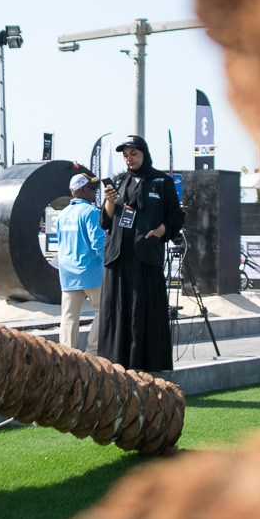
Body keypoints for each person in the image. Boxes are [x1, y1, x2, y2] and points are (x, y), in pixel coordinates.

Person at [95, 135, 184, 373]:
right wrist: (109, 202)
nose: (129, 158)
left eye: (133, 153)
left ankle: (147, 363)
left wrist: (161, 230)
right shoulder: (118, 180)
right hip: (118, 255)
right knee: (117, 309)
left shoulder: (161, 181)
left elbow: (176, 216)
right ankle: (114, 364)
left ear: (143, 153)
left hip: (146, 255)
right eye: (125, 155)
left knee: (143, 309)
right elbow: (106, 220)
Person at [53, 173, 107, 352]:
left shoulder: (63, 215)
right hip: (91, 271)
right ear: (82, 190)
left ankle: (67, 356)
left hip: (68, 273)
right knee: (103, 310)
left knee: (69, 317)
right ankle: (92, 353)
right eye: (92, 189)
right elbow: (98, 242)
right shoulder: (90, 212)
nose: (94, 192)